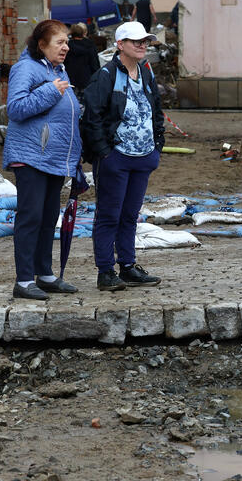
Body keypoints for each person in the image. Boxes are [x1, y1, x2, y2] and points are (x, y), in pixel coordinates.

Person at [81, 21, 165, 291]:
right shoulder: (105, 76)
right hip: (115, 158)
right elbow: (91, 117)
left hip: (143, 157)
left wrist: (157, 145)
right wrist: (105, 154)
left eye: (145, 41)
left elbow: (156, 110)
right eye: (135, 41)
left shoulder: (146, 74)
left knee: (130, 215)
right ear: (120, 45)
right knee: (109, 215)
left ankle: (127, 266)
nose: (142, 45)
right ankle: (105, 271)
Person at [3, 20, 82, 300]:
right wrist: (51, 91)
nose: (66, 47)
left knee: (49, 217)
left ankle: (45, 274)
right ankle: (24, 280)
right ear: (41, 44)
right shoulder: (25, 68)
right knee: (31, 217)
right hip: (30, 156)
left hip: (54, 157)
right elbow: (15, 108)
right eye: (59, 42)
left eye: (67, 42)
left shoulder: (57, 69)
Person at [64, 22, 100, 100]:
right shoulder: (90, 45)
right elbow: (94, 62)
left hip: (72, 79)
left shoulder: (67, 47)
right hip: (87, 78)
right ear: (83, 33)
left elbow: (64, 62)